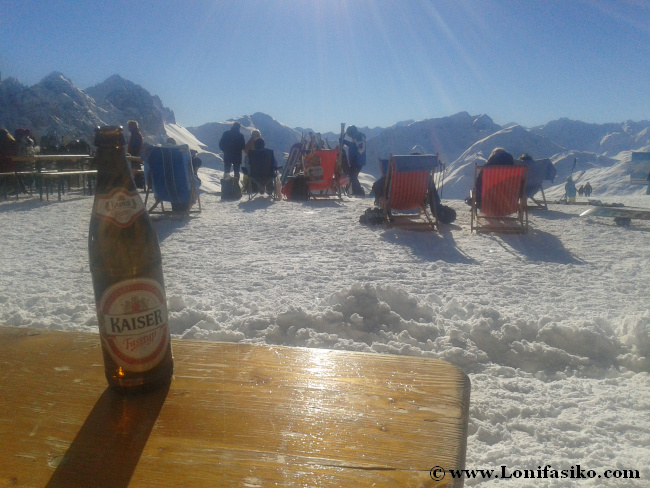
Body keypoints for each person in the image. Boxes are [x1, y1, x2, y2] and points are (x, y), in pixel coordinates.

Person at [342, 125, 366, 196]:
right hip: (356, 160)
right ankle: (357, 191)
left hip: (358, 161)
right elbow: (354, 145)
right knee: (353, 175)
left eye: (349, 135)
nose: (350, 136)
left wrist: (346, 142)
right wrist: (346, 142)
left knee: (353, 175)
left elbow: (360, 148)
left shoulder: (359, 137)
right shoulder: (357, 137)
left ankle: (359, 192)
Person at [127, 120, 145, 189]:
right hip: (135, 155)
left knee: (136, 169)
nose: (128, 128)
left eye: (129, 126)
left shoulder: (136, 134)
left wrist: (133, 154)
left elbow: (136, 146)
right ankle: (139, 184)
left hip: (135, 155)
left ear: (132, 126)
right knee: (136, 169)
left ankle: (139, 185)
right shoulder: (135, 133)